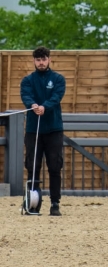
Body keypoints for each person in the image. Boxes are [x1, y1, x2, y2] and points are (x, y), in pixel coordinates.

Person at [20, 46, 66, 217]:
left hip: (54, 129)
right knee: (33, 166)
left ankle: (55, 203)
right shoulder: (27, 80)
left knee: (55, 166)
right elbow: (26, 96)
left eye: (44, 59)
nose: (41, 62)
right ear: (34, 61)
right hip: (33, 130)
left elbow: (56, 97)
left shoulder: (58, 79)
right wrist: (32, 105)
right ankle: (33, 203)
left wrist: (44, 106)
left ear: (49, 60)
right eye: (38, 60)